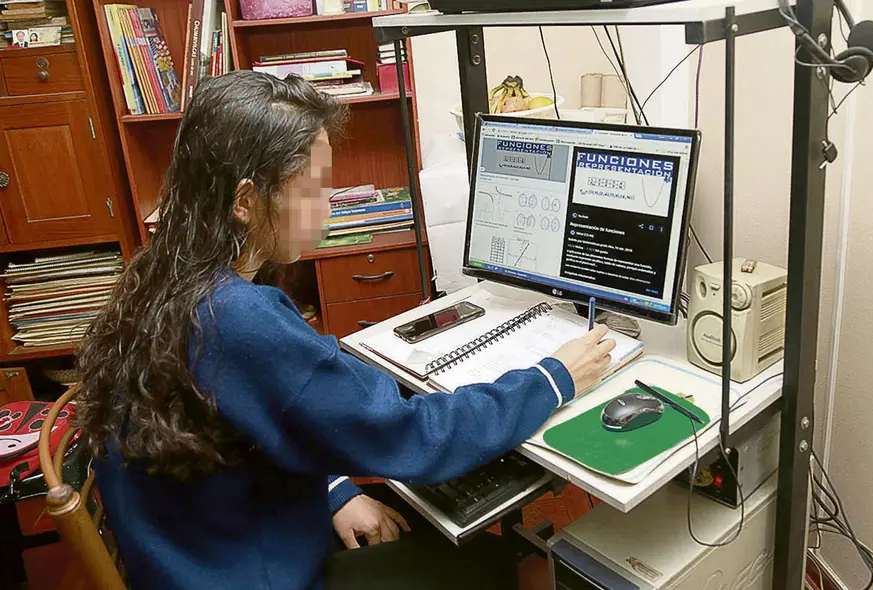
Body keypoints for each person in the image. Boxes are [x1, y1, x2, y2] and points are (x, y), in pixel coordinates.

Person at [75, 70, 616, 590]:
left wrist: (333, 488)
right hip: (251, 573)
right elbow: (416, 437)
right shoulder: (236, 319)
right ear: (244, 201)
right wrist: (553, 377)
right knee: (502, 560)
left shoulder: (162, 274)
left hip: (199, 554)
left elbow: (247, 425)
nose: (327, 205)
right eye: (313, 188)